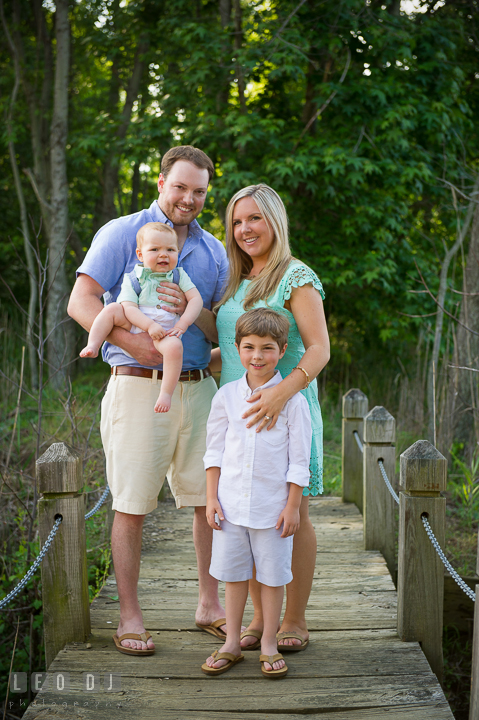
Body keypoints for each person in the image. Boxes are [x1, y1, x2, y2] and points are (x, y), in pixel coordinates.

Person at [68, 146, 229, 655]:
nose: (189, 198)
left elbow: (218, 324)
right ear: (161, 182)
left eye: (199, 191)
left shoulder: (213, 252)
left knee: (209, 503)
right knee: (133, 503)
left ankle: (210, 605)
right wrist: (145, 348)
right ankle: (130, 617)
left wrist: (191, 313)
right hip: (138, 385)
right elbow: (82, 300)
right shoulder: (124, 233)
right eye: (180, 186)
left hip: (200, 386)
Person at [211, 183, 330, 653]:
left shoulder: (296, 277)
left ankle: (295, 619)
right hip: (241, 416)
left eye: (254, 218)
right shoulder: (235, 280)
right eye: (237, 221)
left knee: (289, 511)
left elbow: (319, 347)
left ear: (274, 221)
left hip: (286, 407)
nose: (244, 229)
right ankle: (260, 621)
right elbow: (236, 351)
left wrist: (282, 391)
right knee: (248, 513)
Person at [202, 308, 312, 679]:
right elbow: (214, 451)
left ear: (282, 350)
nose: (258, 357)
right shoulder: (227, 397)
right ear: (235, 349)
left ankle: (268, 641)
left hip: (272, 508)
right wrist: (212, 498)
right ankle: (231, 642)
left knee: (271, 577)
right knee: (233, 575)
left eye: (267, 348)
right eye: (249, 348)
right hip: (231, 506)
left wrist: (293, 506)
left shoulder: (293, 402)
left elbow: (299, 460)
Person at [79, 222, 203, 413]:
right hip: (137, 324)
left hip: (165, 332)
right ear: (140, 255)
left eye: (170, 249)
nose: (163, 254)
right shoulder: (134, 278)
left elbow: (196, 300)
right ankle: (94, 344)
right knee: (112, 308)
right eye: (155, 249)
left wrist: (183, 324)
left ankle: (166, 394)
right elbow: (128, 308)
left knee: (175, 347)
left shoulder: (178, 275)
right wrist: (149, 325)